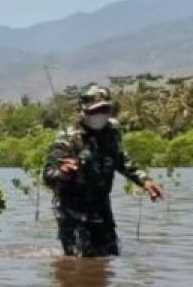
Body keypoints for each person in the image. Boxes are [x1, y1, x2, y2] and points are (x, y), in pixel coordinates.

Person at [43, 83, 162, 257]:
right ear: (82, 111)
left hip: (101, 207)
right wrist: (63, 173)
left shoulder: (112, 131)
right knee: (78, 263)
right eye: (94, 111)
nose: (99, 115)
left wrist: (145, 180)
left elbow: (122, 160)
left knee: (109, 257)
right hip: (73, 210)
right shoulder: (68, 138)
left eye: (104, 109)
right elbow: (48, 174)